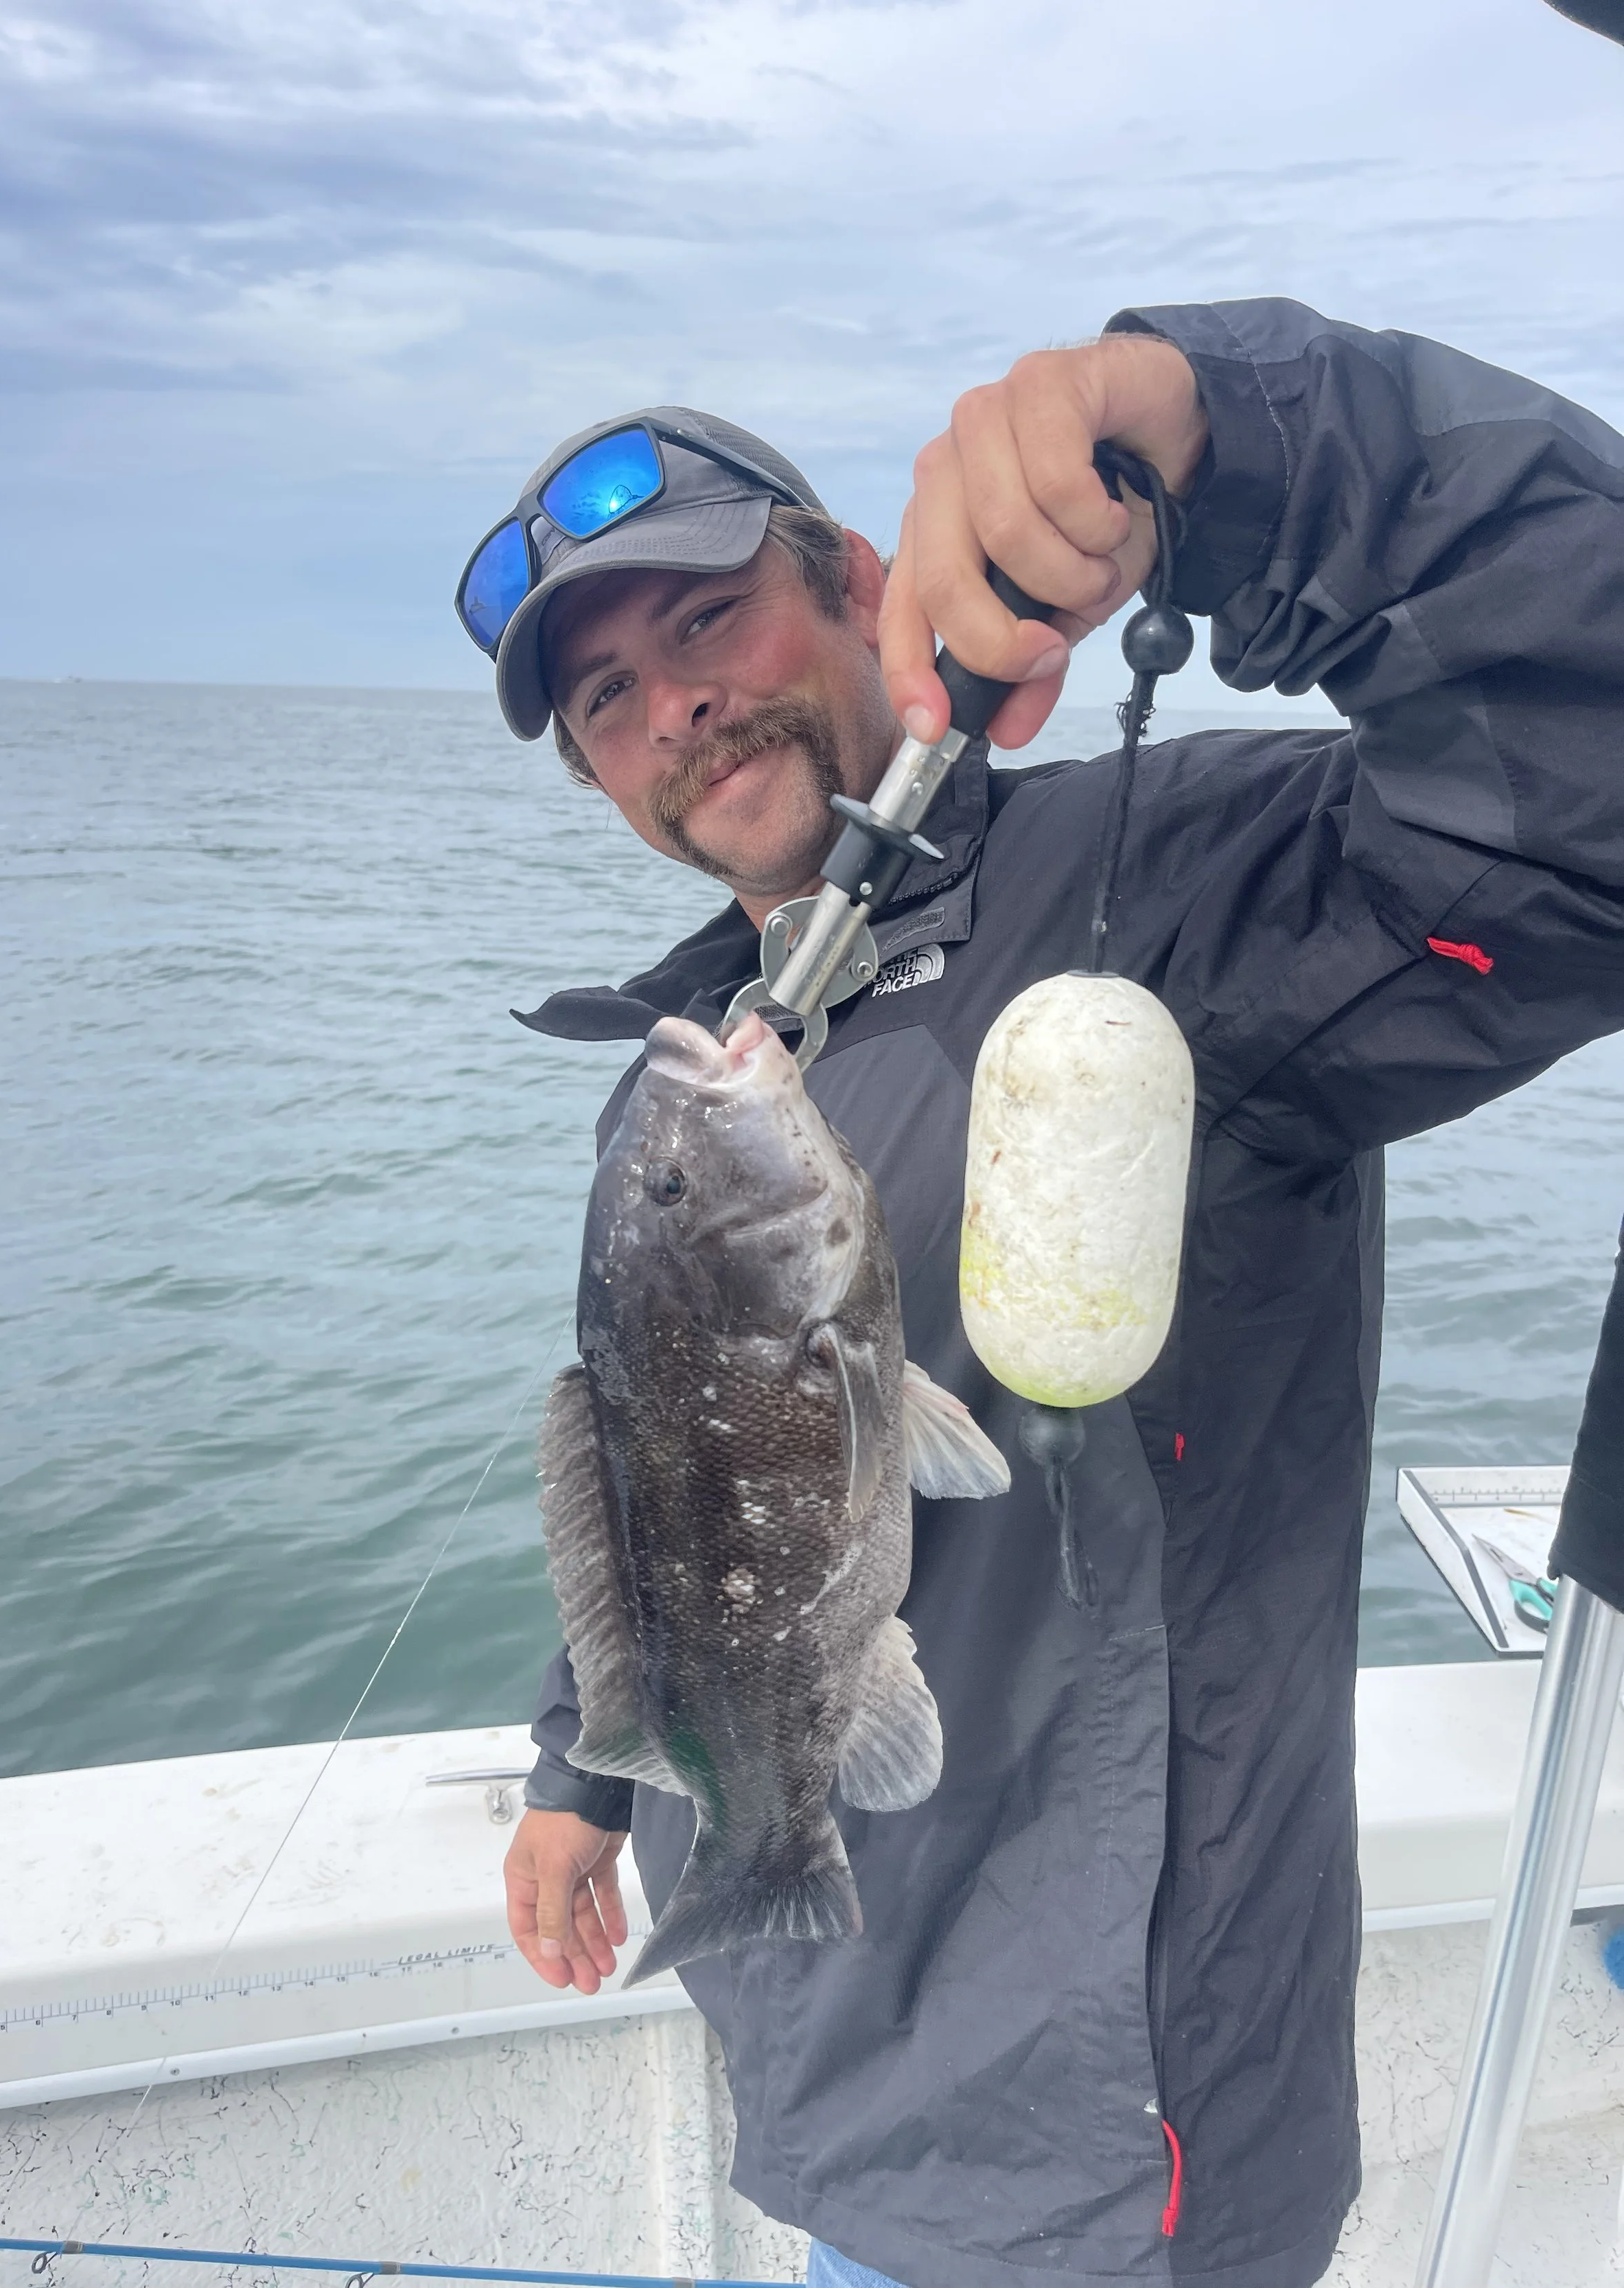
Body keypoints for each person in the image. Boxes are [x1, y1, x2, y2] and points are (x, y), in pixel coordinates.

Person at [459, 295, 1624, 2288]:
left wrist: (1242, 448)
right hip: (821, 2084)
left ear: (850, 584)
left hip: (1104, 2162)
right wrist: (587, 1766)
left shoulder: (1171, 889)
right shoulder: (704, 1063)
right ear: (594, 778)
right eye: (604, 702)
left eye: (703, 623)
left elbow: (1591, 793)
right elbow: (673, 1479)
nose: (668, 711)